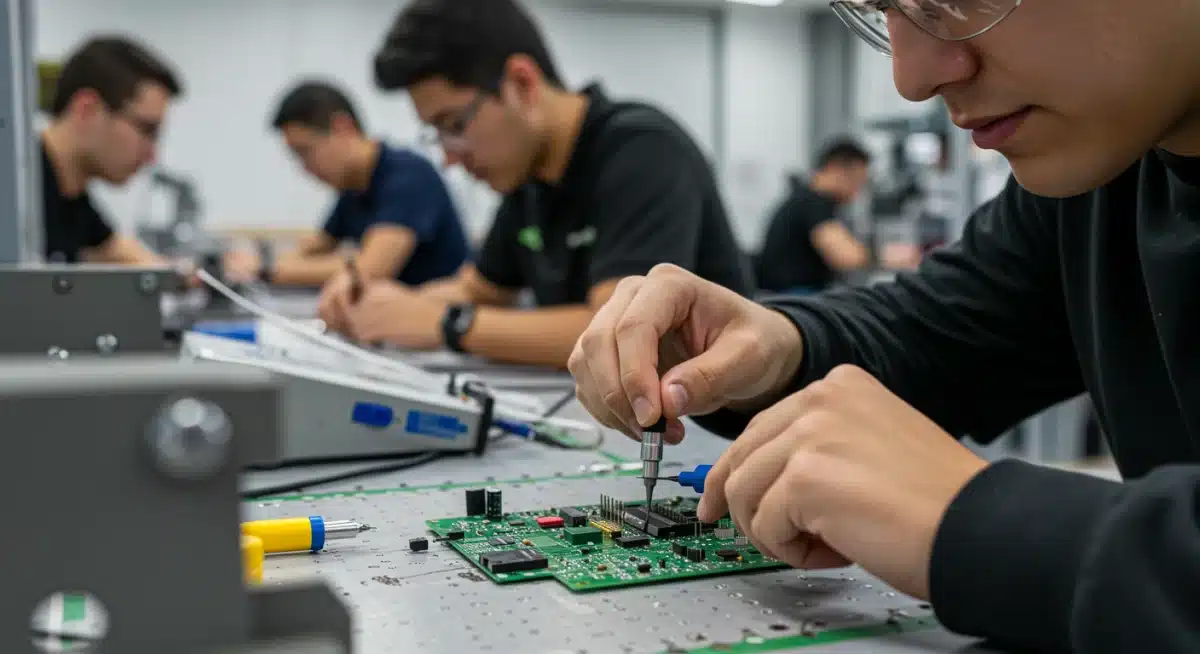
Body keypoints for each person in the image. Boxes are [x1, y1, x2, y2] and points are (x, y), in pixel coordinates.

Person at [568, 1, 1200, 652]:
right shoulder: (1101, 180)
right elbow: (942, 328)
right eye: (884, 10)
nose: (912, 76)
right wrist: (782, 346)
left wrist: (975, 521)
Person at [318, 0, 752, 368]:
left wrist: (446, 324)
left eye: (453, 125)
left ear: (522, 84)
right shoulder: (528, 180)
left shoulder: (642, 150)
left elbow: (619, 331)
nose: (449, 157)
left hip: (711, 428)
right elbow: (478, 290)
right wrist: (382, 302)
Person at [223, 81, 469, 290]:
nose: (304, 168)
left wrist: (265, 269)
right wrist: (251, 263)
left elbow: (369, 269)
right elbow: (313, 249)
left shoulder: (410, 176)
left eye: (305, 152)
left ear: (343, 128)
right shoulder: (353, 188)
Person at [40, 36, 180, 266]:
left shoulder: (72, 198)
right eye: (146, 130)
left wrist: (207, 274)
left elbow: (126, 254)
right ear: (87, 110)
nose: (151, 155)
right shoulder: (16, 193)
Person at [756, 139, 871, 294]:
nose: (856, 193)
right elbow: (845, 257)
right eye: (856, 182)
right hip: (794, 297)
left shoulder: (805, 199)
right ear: (835, 169)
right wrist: (884, 255)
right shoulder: (812, 203)